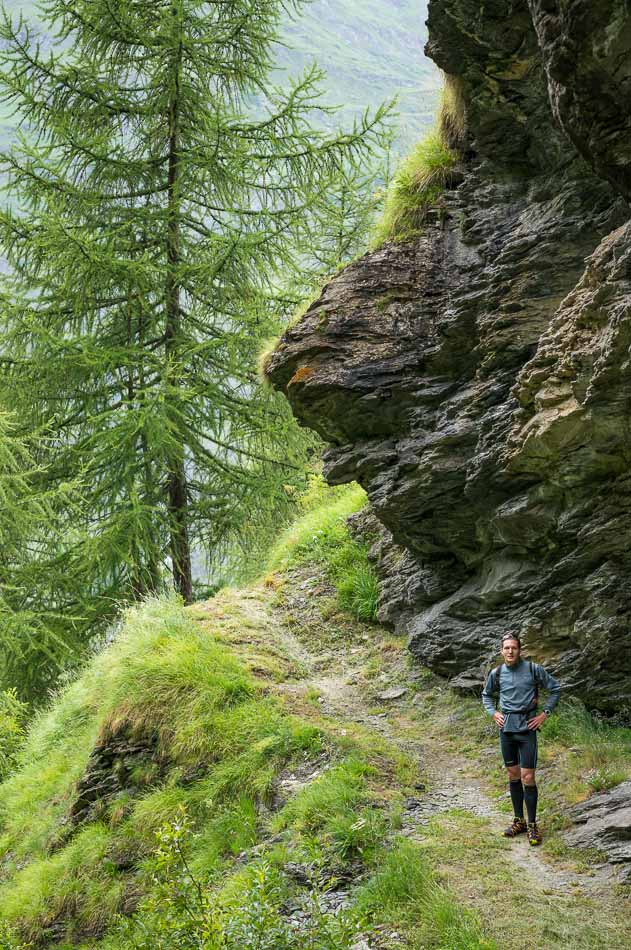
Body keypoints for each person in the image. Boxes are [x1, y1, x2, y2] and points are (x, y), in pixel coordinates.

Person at [482, 633, 561, 846]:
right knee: (513, 774)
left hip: (527, 728)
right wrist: (493, 713)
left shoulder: (534, 670)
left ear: (520, 650)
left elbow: (555, 689)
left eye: (514, 648)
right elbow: (486, 695)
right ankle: (519, 821)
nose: (510, 651)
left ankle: (533, 825)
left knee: (528, 777)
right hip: (506, 729)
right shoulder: (496, 673)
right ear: (502, 651)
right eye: (506, 648)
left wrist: (544, 714)